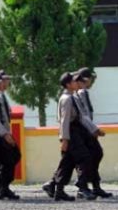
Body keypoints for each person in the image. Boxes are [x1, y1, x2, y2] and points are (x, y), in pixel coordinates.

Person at [42, 72, 97, 201]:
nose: (76, 82)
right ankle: (82, 187)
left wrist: (94, 129)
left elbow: (82, 117)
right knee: (84, 157)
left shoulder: (72, 97)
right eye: (73, 81)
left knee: (67, 162)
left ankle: (57, 189)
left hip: (75, 131)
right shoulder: (66, 99)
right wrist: (64, 139)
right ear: (68, 84)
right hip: (71, 132)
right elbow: (65, 120)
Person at [74, 67, 112, 198]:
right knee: (89, 157)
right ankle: (83, 185)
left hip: (87, 130)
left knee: (94, 155)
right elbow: (84, 115)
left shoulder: (81, 92)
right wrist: (93, 129)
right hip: (86, 131)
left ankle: (94, 186)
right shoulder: (81, 92)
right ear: (86, 79)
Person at [0, 71, 21, 200]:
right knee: (8, 160)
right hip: (0, 134)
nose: (7, 82)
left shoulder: (1, 95)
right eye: (5, 80)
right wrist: (4, 134)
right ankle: (1, 187)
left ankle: (2, 186)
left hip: (5, 132)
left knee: (13, 157)